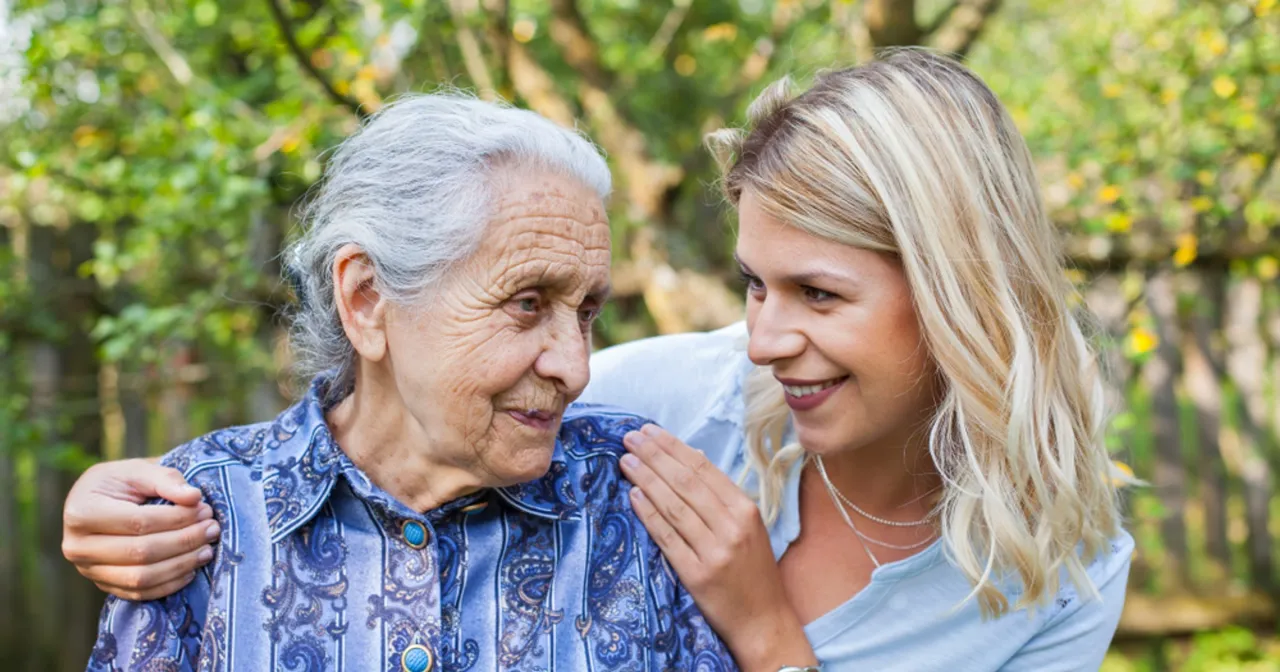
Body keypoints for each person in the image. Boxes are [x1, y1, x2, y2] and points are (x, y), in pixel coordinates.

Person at [66, 50, 1132, 671]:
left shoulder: (1065, 570)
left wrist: (763, 630)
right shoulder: (672, 403)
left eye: (817, 294)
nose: (575, 366)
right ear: (362, 297)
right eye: (756, 286)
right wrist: (115, 497)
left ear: (955, 289)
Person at [79, 92, 740, 672]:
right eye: (527, 303)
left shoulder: (638, 498)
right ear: (366, 298)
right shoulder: (204, 520)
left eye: (588, 313)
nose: (574, 366)